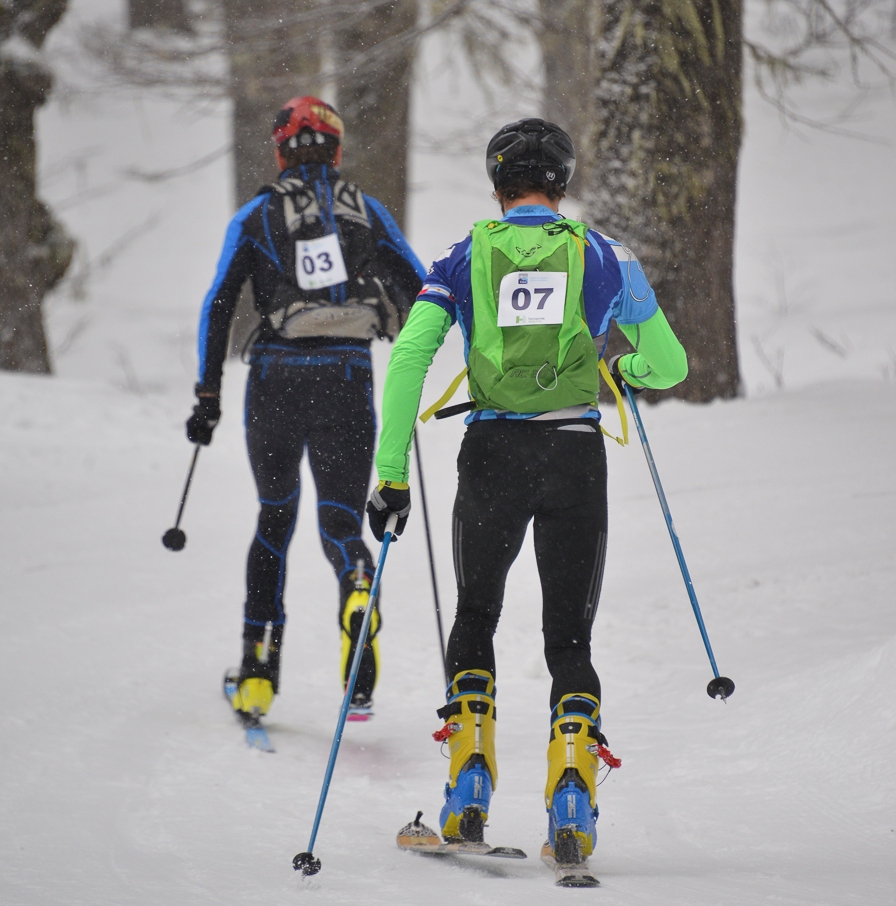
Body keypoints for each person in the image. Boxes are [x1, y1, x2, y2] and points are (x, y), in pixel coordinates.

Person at [367, 118, 688, 863]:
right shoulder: (607, 255)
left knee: (476, 612)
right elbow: (666, 364)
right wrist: (625, 373)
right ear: (563, 183)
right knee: (569, 638)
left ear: (497, 186)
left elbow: (411, 355)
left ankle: (468, 788)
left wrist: (390, 475)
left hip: (491, 453)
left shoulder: (462, 256)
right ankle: (572, 796)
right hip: (575, 453)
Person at [187, 96, 425, 722]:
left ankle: (258, 675)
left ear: (281, 150)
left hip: (275, 377)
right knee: (342, 521)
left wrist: (207, 395)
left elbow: (218, 304)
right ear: (336, 151)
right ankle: (356, 589)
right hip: (347, 374)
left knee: (275, 518)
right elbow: (421, 287)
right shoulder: (367, 213)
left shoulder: (260, 213)